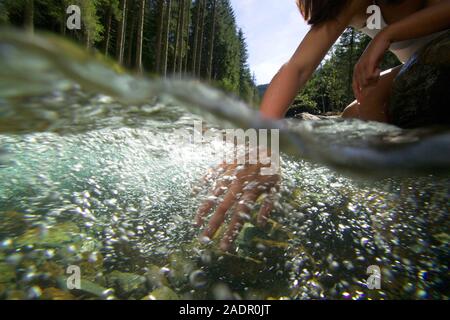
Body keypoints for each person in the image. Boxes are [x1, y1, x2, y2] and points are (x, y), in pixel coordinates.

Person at [195, 0, 450, 251]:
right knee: (352, 113)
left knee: (371, 98)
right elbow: (298, 67)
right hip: (413, 66)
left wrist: (388, 34)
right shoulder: (345, 5)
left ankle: (409, 192)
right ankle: (398, 188)